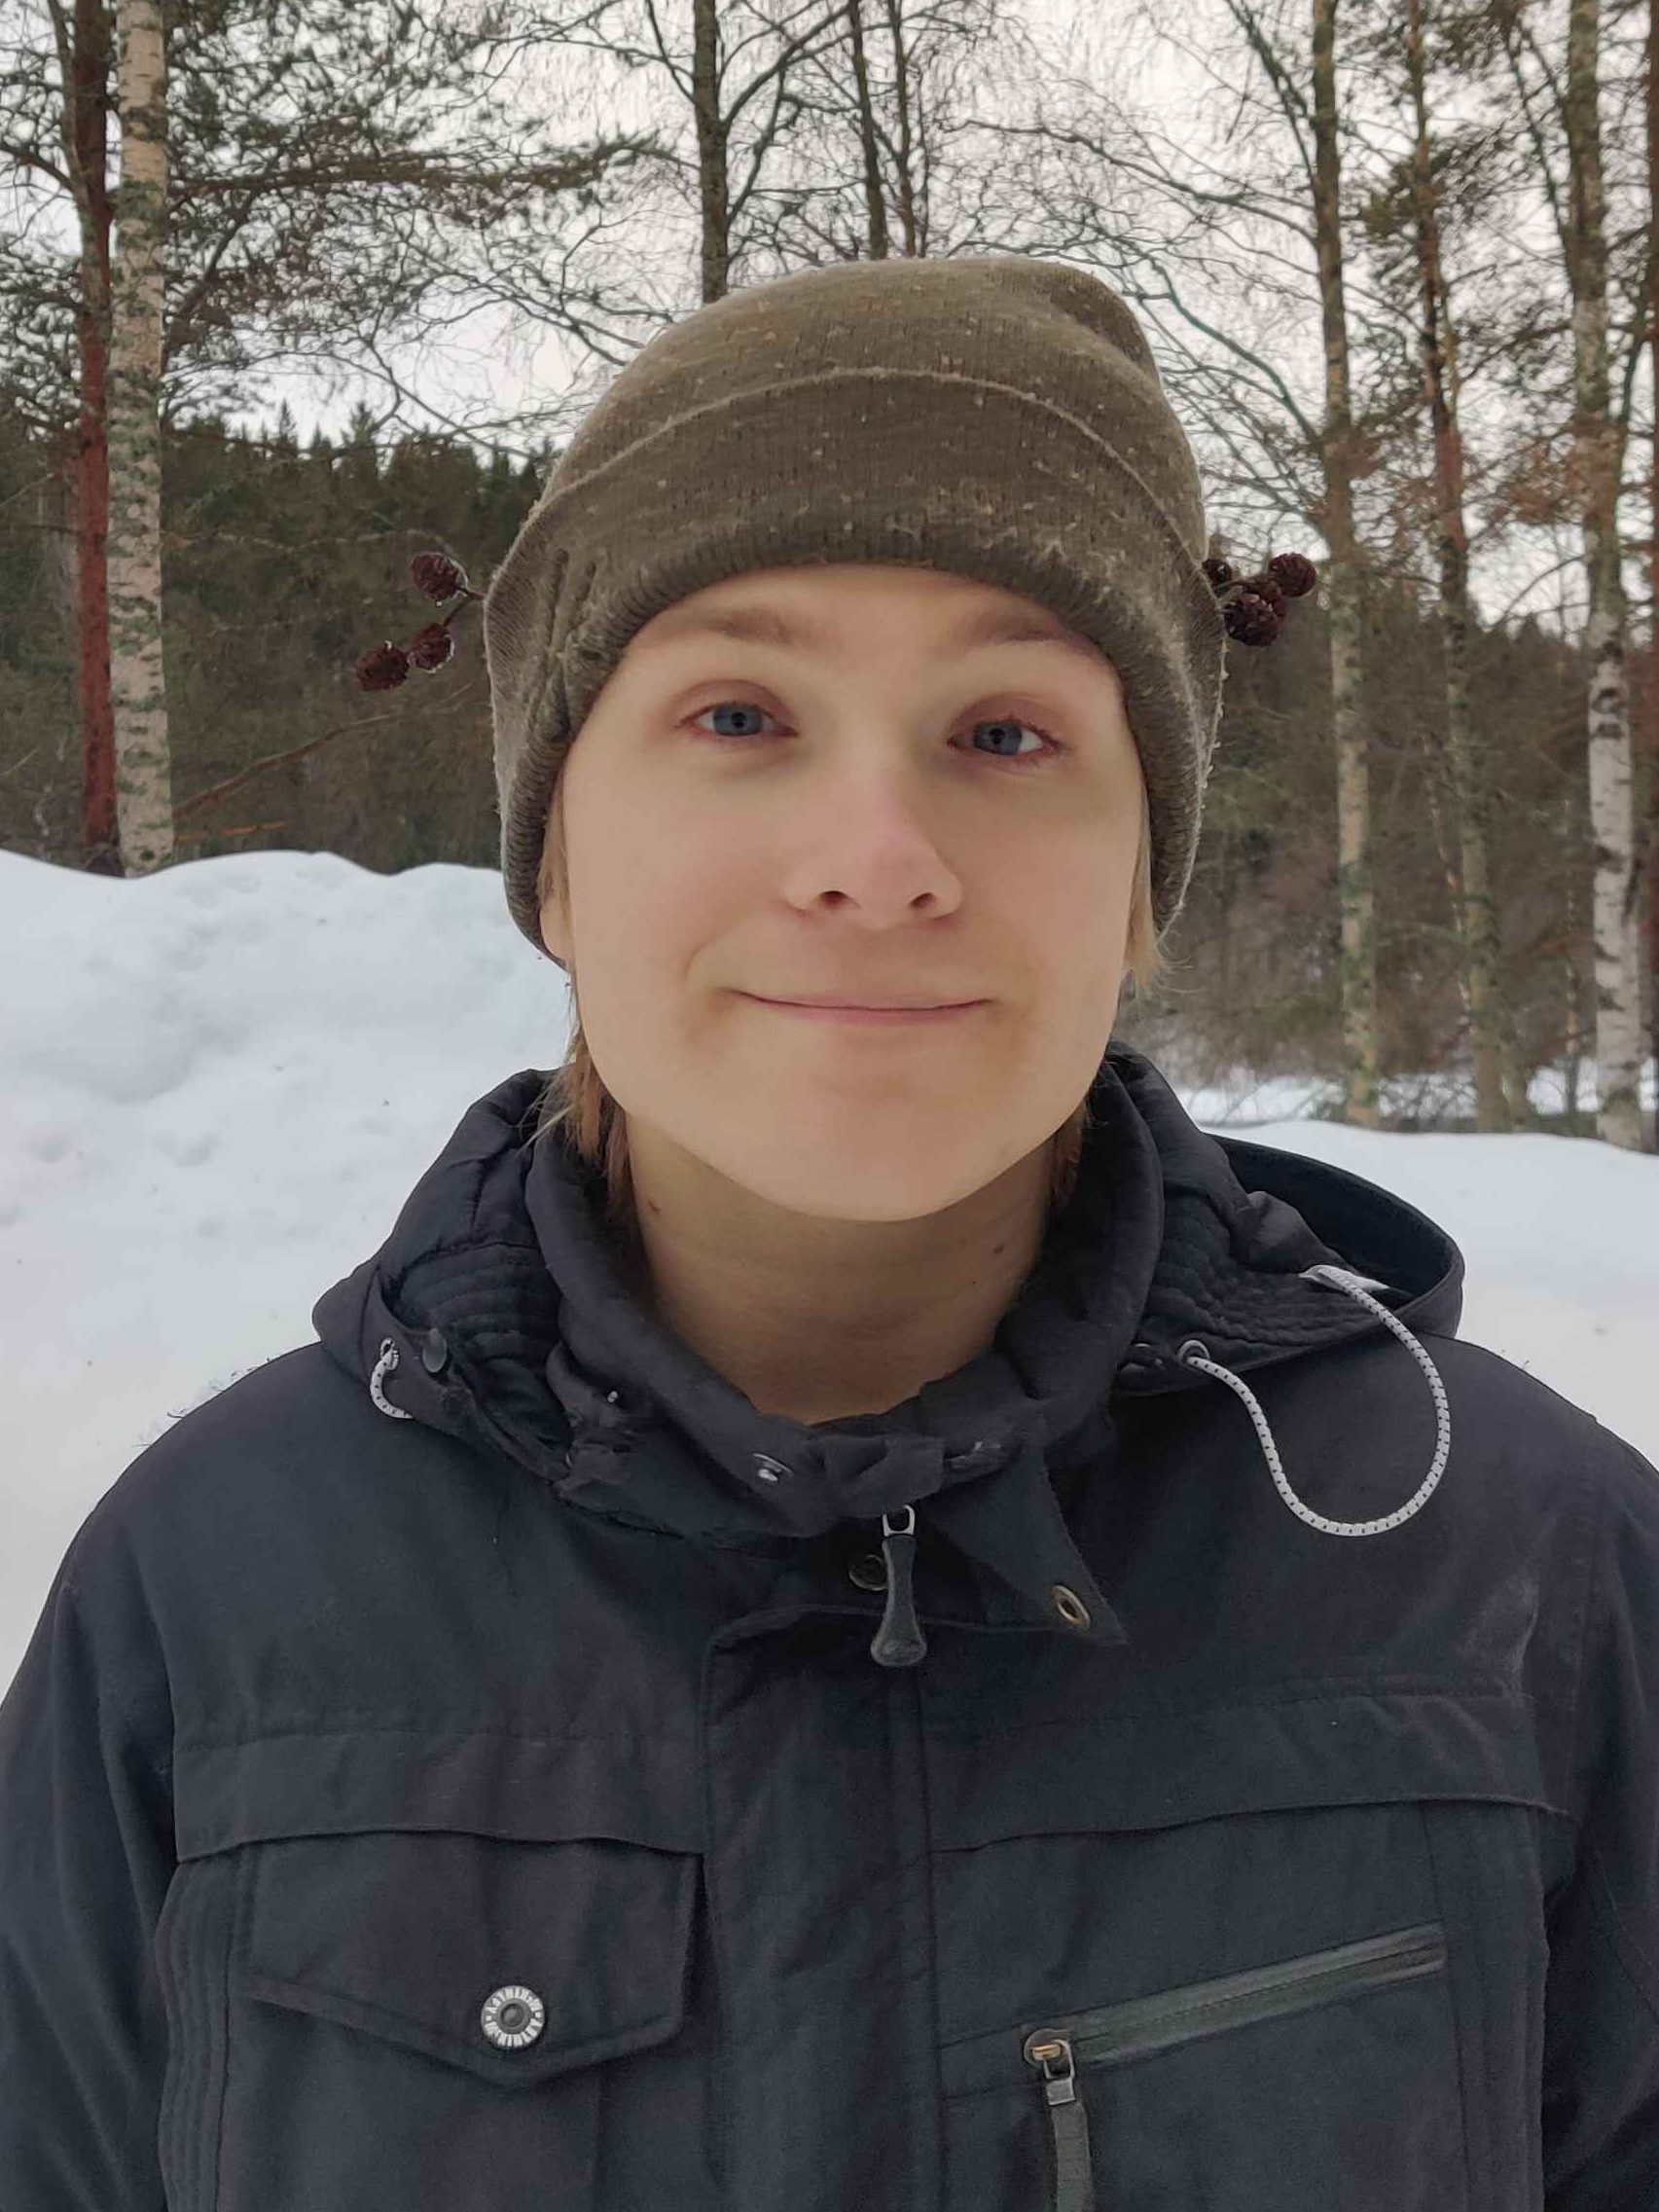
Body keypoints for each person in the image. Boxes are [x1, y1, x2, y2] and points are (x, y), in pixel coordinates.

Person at [1, 253, 1655, 2212]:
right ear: (552, 857)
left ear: (1141, 878)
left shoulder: (1532, 1576)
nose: (876, 861)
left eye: (1005, 735)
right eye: (736, 712)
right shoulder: (208, 1598)